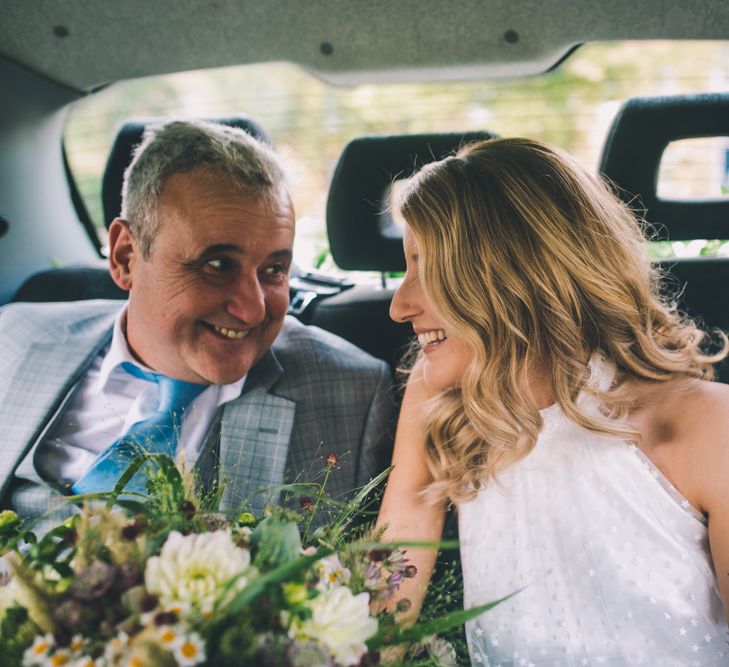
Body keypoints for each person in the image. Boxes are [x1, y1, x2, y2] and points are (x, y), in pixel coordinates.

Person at [377, 137, 729, 665]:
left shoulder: (706, 424)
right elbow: (382, 611)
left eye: (427, 267)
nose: (399, 306)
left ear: (516, 274)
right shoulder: (438, 401)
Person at [0, 120, 394, 529]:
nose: (253, 310)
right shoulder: (12, 338)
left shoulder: (353, 392)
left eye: (273, 269)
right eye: (218, 265)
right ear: (124, 256)